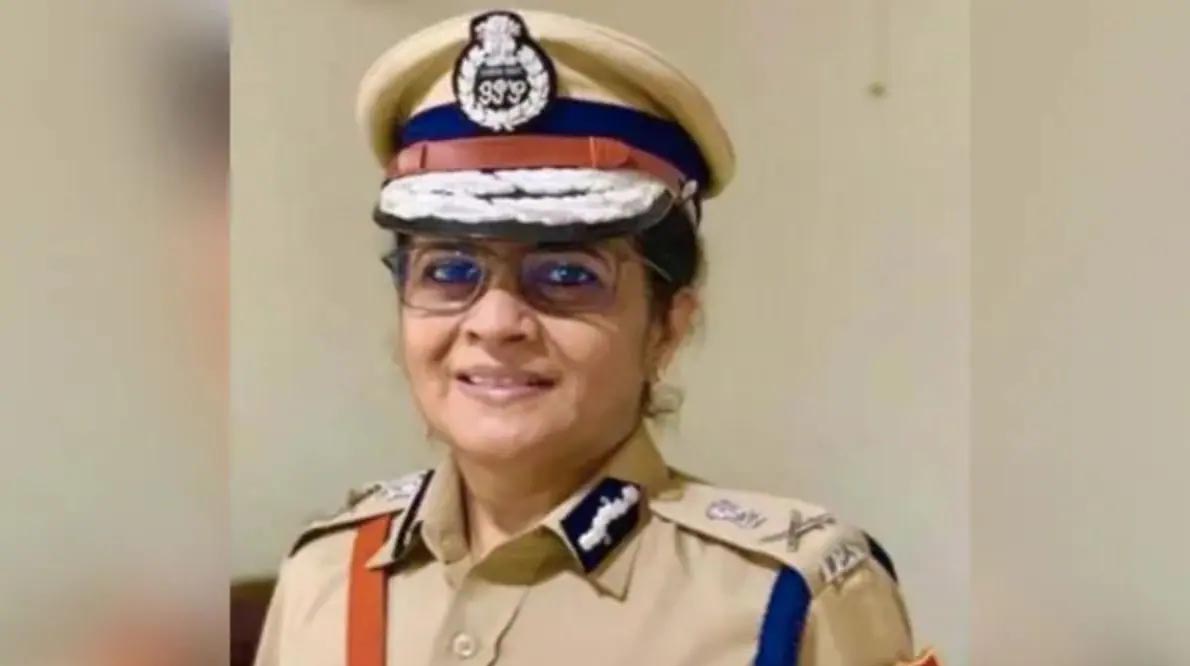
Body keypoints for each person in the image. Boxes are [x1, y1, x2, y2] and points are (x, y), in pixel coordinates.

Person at [254, 9, 941, 666]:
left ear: (667, 326)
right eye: (449, 271)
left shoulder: (788, 601)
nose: (495, 323)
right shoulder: (324, 575)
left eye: (567, 275)